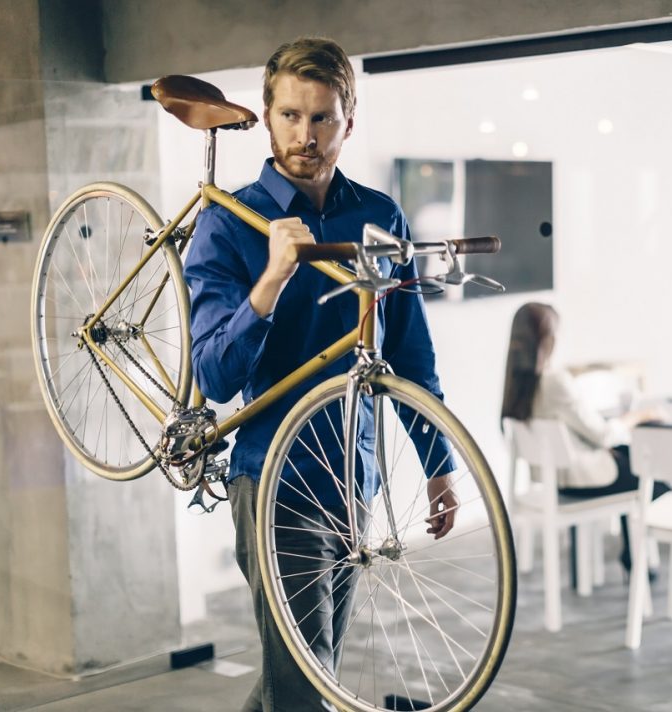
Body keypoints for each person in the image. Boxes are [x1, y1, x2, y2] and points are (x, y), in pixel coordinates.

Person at [184, 38, 454, 711]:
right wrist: (271, 279)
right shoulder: (228, 224)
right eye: (290, 116)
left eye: (323, 118)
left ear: (348, 122)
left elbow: (408, 351)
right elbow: (215, 375)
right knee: (306, 686)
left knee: (306, 671)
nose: (305, 136)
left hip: (354, 477)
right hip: (276, 480)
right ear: (269, 118)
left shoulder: (379, 216)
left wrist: (437, 459)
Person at [500, 303, 672, 572]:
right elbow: (601, 435)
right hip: (583, 480)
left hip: (555, 479)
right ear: (550, 339)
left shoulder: (516, 383)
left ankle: (634, 555)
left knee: (633, 461)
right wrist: (640, 415)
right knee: (653, 482)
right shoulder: (555, 381)